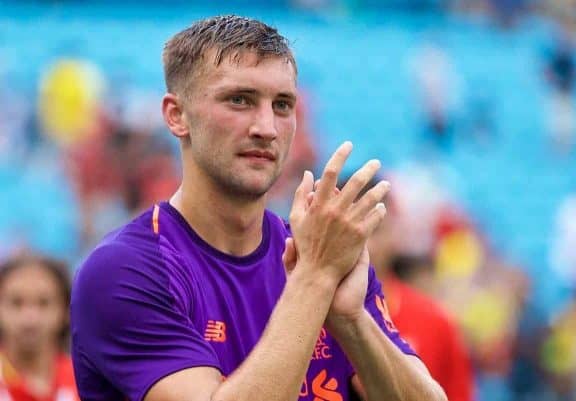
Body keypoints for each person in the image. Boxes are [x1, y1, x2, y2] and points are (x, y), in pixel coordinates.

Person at [70, 15, 447, 401]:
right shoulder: (124, 271)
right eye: (240, 100)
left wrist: (351, 321)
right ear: (176, 115)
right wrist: (314, 281)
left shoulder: (320, 253)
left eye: (282, 105)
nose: (266, 127)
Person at [362, 176, 475, 401]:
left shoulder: (436, 322)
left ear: (396, 233)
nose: (365, 244)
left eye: (376, 230)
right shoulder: (304, 316)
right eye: (352, 228)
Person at [0, 255, 79, 401]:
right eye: (16, 303)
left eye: (44, 303)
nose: (30, 318)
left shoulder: (85, 385)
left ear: (65, 311)